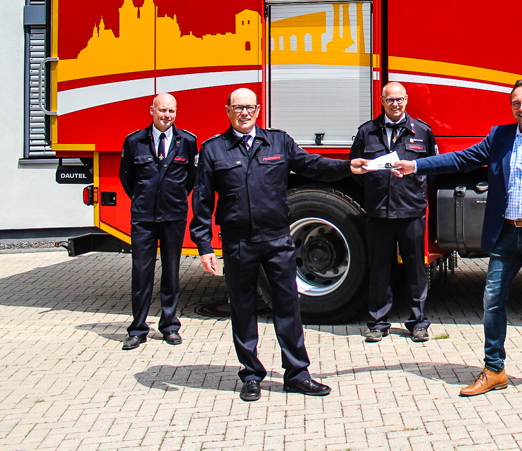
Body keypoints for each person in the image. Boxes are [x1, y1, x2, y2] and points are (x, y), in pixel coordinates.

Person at [390, 80, 522, 398]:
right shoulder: (500, 136)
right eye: (516, 104)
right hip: (506, 232)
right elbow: (459, 159)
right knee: (492, 302)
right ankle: (494, 370)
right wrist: (416, 165)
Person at [190, 88, 367, 402]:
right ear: (227, 110)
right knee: (243, 311)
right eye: (238, 107)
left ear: (258, 109)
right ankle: (251, 376)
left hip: (277, 241)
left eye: (250, 107)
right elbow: (202, 202)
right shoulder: (214, 150)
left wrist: (346, 167)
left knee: (288, 309)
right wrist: (204, 245)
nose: (245, 113)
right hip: (238, 243)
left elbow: (312, 165)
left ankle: (297, 375)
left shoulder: (278, 142)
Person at [351, 82, 437, 343]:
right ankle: (378, 323)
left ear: (407, 100)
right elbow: (356, 170)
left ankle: (418, 322)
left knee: (415, 268)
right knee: (380, 268)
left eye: (400, 99)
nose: (396, 104)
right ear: (382, 101)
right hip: (379, 211)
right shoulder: (367, 132)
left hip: (411, 211)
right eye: (390, 100)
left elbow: (431, 168)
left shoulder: (422, 131)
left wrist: (414, 192)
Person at [119, 93, 197, 350]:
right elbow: (127, 178)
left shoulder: (187, 141)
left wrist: (171, 198)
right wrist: (144, 198)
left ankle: (170, 325)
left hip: (173, 216)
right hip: (143, 218)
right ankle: (138, 329)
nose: (167, 115)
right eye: (162, 110)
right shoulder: (134, 141)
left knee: (171, 272)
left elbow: (190, 179)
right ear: (151, 110)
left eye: (172, 111)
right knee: (142, 273)